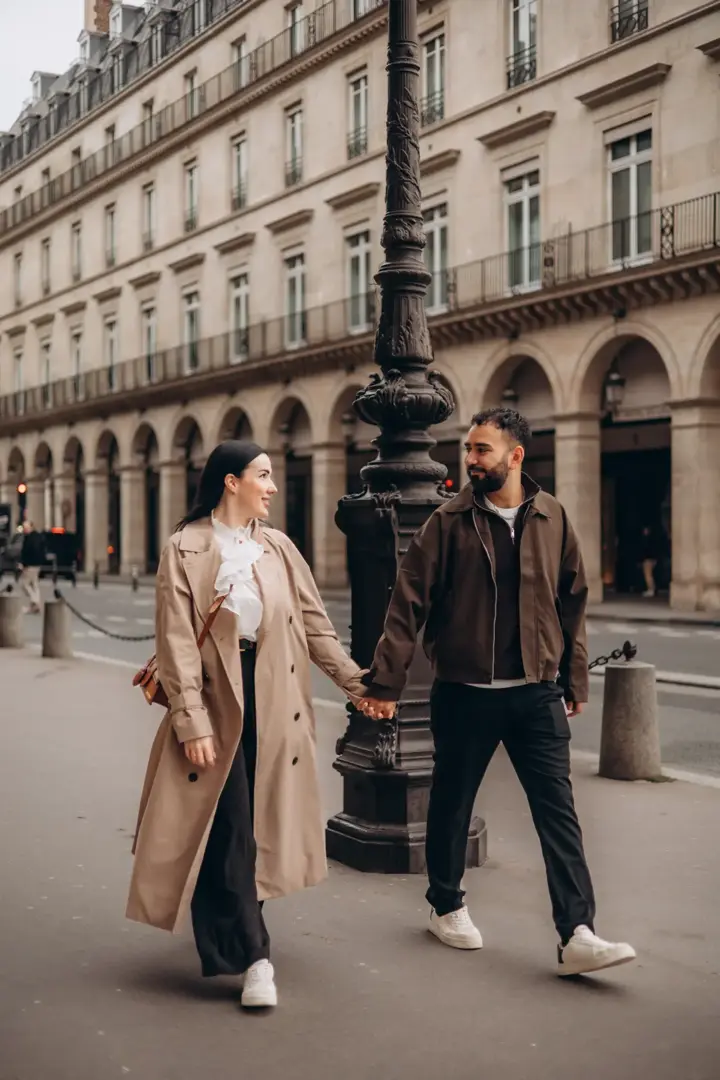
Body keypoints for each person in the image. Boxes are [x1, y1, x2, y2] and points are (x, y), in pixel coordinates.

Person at [357, 408, 637, 978]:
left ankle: (576, 932)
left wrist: (573, 676)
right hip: (466, 691)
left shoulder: (551, 516)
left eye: (482, 450)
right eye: (469, 449)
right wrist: (385, 682)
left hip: (535, 693)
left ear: (515, 456)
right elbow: (407, 604)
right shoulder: (449, 520)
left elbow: (573, 602)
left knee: (558, 813)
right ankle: (446, 904)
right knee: (453, 803)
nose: (470, 459)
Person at [127, 440, 367, 1008]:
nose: (273, 487)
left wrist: (361, 686)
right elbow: (178, 642)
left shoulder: (279, 548)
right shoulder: (183, 548)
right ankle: (256, 956)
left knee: (251, 825)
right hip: (216, 701)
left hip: (274, 696)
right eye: (263, 475)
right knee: (230, 821)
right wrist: (192, 722)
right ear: (230, 482)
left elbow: (315, 628)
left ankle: (229, 933)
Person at [18, 521, 44, 614]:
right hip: (37, 564)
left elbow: (27, 552)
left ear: (31, 527)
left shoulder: (30, 538)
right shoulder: (38, 537)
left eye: (26, 527)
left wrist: (23, 564)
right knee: (34, 584)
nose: (25, 529)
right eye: (24, 527)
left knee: (25, 584)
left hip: (30, 565)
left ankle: (35, 601)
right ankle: (34, 606)